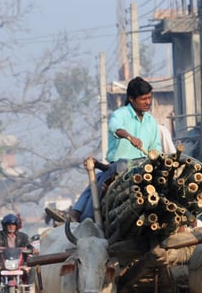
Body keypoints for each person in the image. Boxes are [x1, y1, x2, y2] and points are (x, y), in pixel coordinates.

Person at [70, 76, 164, 222]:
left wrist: (155, 155)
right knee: (98, 185)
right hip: (120, 167)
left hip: (146, 167)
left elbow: (156, 146)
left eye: (149, 98)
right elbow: (115, 128)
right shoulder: (120, 114)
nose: (148, 102)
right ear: (131, 99)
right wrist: (129, 137)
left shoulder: (151, 121)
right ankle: (86, 220)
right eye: (143, 99)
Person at [0, 215, 30, 292]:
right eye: (8, 224)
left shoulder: (23, 237)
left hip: (20, 262)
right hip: (2, 262)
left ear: (16, 226)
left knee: (31, 269)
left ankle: (30, 290)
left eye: (13, 224)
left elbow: (29, 246)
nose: (11, 226)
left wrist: (33, 249)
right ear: (4, 225)